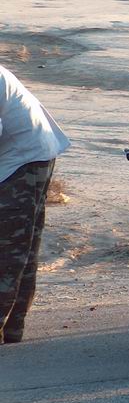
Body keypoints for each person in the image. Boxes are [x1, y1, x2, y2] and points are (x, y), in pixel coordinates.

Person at [0, 64, 70, 344]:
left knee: (10, 249)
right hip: (32, 153)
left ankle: (9, 326)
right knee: (22, 247)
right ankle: (13, 330)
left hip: (22, 161)